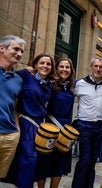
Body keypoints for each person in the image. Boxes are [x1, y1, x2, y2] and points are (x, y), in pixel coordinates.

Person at [4, 53, 55, 188]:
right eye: (42, 63)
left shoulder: (49, 85)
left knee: (36, 163)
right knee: (28, 159)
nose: (45, 66)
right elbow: (11, 77)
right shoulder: (26, 76)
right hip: (26, 123)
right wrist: (25, 69)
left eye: (48, 64)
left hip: (40, 126)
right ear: (35, 65)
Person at [71, 57, 102, 188]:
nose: (98, 69)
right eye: (96, 66)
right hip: (84, 125)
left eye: (101, 67)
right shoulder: (80, 83)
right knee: (84, 159)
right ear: (91, 67)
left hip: (100, 126)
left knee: (93, 160)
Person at [36, 57, 76, 188]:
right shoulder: (49, 84)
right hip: (49, 127)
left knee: (59, 164)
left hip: (65, 130)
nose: (64, 70)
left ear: (71, 70)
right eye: (62, 66)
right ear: (56, 68)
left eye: (67, 67)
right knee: (43, 162)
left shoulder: (72, 86)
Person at [0, 35, 25, 179]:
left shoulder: (18, 80)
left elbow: (14, 107)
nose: (20, 54)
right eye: (16, 49)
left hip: (10, 135)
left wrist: (17, 131)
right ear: (2, 49)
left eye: (22, 51)